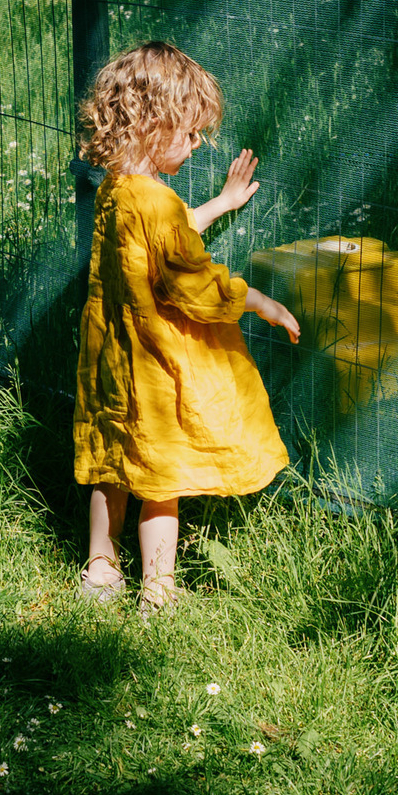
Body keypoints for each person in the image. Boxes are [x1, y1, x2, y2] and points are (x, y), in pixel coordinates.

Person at [74, 39, 301, 613]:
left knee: (112, 462)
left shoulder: (116, 190)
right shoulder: (157, 203)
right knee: (160, 474)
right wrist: (258, 301)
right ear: (154, 125)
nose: (197, 145)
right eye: (190, 132)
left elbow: (161, 243)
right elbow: (189, 284)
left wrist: (219, 205)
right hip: (153, 366)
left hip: (110, 357)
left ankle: (100, 567)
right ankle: (159, 590)